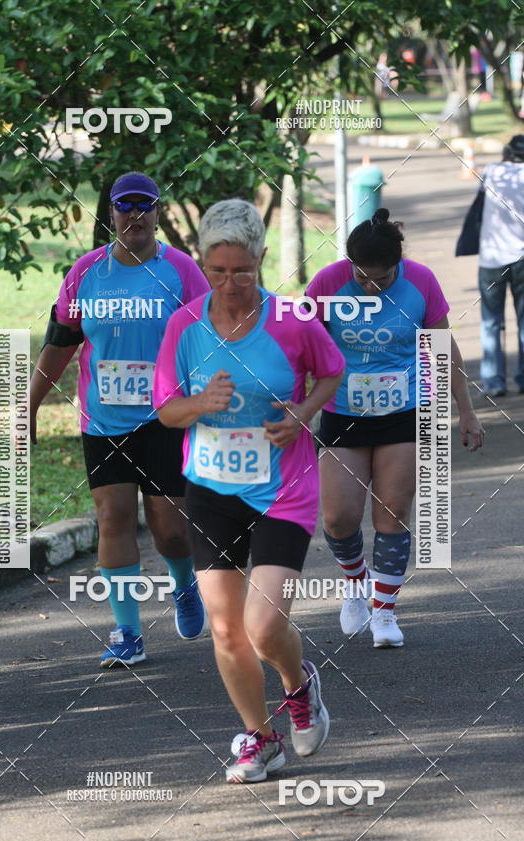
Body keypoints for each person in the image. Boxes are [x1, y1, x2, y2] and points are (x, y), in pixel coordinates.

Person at [153, 199, 345, 783]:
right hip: (212, 488)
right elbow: (166, 411)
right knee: (227, 628)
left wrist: (305, 414)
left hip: (284, 488)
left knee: (263, 626)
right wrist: (201, 405)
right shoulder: (184, 326)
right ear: (202, 266)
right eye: (218, 271)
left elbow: (331, 370)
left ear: (262, 261)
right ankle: (260, 741)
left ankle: (299, 686)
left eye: (243, 271)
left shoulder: (292, 319)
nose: (231, 283)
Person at [29, 171, 210, 667]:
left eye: (144, 206)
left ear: (157, 213)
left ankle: (182, 582)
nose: (135, 215)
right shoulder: (85, 273)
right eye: (125, 206)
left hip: (165, 418)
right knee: (113, 519)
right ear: (110, 213)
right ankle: (127, 631)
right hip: (103, 420)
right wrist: (30, 404)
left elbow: (208, 340)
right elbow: (60, 344)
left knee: (169, 529)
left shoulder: (181, 272)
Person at [305, 208, 484, 649]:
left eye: (380, 279)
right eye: (361, 278)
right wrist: (297, 408)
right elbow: (300, 343)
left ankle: (384, 611)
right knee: (339, 517)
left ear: (397, 265)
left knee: (392, 514)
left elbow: (443, 349)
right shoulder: (327, 283)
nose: (369, 286)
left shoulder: (420, 282)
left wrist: (466, 410)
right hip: (343, 414)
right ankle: (355, 585)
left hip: (404, 413)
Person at [477, 134, 524, 397]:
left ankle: (494, 382)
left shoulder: (493, 171)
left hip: (492, 257)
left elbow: (480, 200)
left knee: (491, 321)